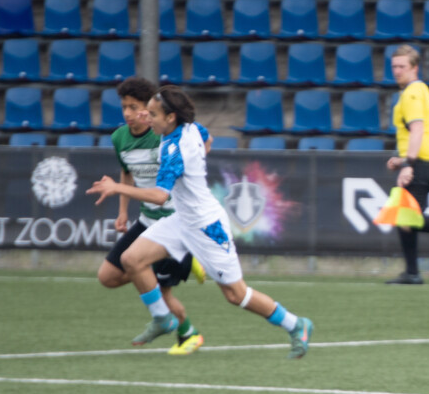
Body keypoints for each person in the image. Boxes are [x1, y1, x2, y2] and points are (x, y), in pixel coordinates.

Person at [87, 86, 312, 360]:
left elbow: (160, 196)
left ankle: (295, 324)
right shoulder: (191, 128)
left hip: (207, 226)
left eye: (153, 114)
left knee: (236, 295)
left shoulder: (174, 149)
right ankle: (163, 318)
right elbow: (208, 138)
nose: (148, 118)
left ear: (170, 117)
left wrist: (117, 188)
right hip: (182, 219)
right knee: (131, 259)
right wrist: (194, 165)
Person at [96, 77, 207, 356]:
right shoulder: (119, 138)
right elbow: (127, 173)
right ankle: (186, 263)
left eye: (134, 107)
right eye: (124, 107)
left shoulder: (164, 134)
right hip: (147, 221)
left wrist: (190, 166)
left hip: (173, 223)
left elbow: (204, 139)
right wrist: (122, 211)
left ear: (149, 108)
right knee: (108, 276)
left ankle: (189, 334)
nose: (128, 113)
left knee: (159, 291)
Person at [385, 45, 429, 284]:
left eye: (402, 66)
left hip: (423, 162)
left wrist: (407, 163)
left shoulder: (412, 93)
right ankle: (412, 272)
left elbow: (417, 130)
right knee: (405, 218)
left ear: (414, 68)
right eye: (394, 66)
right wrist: (401, 159)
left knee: (407, 217)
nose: (397, 71)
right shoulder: (418, 90)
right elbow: (417, 133)